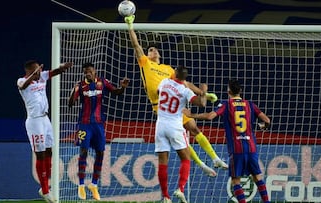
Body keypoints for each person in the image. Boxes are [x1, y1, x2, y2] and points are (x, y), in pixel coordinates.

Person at [124, 15, 228, 178]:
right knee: (182, 137)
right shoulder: (145, 63)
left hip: (176, 103)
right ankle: (201, 165)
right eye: (150, 49)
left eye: (154, 49)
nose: (153, 51)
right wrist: (130, 26)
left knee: (194, 128)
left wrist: (203, 93)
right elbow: (136, 45)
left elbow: (184, 83)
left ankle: (215, 159)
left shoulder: (167, 69)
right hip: (161, 106)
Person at [183, 79, 271, 203]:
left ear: (228, 91)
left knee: (236, 181)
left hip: (236, 149)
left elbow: (209, 116)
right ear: (240, 91)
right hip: (251, 148)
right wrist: (264, 127)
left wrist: (192, 116)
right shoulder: (250, 104)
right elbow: (267, 120)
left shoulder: (226, 104)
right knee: (257, 178)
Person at [68, 62, 129, 200]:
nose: (87, 73)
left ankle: (94, 185)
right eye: (85, 72)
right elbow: (70, 104)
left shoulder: (103, 82)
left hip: (99, 125)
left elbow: (116, 92)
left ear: (94, 71)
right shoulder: (81, 85)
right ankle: (81, 185)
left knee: (101, 152)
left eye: (89, 71)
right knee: (83, 152)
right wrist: (73, 91)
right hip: (84, 125)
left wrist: (123, 88)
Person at [17, 60, 74, 203]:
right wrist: (34, 75)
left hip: (45, 119)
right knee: (40, 154)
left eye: (39, 71)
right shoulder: (22, 81)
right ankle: (45, 190)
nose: (39, 73)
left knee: (49, 152)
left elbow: (54, 73)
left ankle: (45, 185)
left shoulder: (41, 77)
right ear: (29, 71)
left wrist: (62, 68)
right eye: (36, 71)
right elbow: (23, 86)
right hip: (34, 121)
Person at [156, 65, 208, 203]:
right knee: (185, 158)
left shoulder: (164, 82)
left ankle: (166, 196)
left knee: (162, 162)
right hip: (175, 126)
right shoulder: (185, 91)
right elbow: (201, 104)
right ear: (185, 78)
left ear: (175, 74)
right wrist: (203, 92)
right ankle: (180, 189)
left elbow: (157, 93)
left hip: (160, 125)